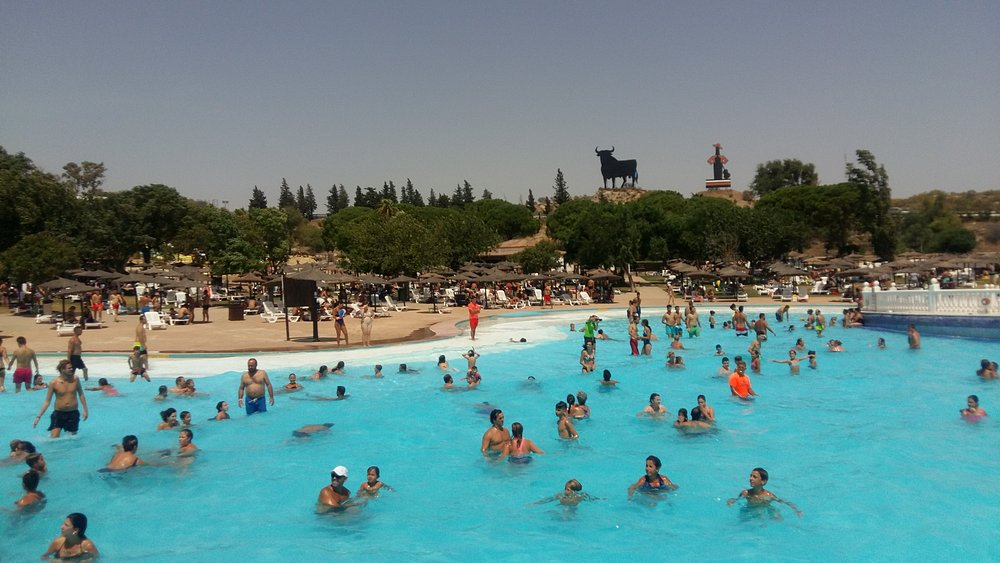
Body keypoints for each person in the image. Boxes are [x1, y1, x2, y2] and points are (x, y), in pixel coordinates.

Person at [33, 359, 89, 438]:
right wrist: (38, 417)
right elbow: (47, 401)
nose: (72, 369)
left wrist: (85, 410)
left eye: (72, 367)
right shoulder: (54, 383)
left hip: (73, 413)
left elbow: (81, 394)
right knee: (54, 439)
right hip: (59, 414)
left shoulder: (75, 379)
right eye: (69, 368)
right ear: (62, 369)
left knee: (72, 439)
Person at [726, 467, 803, 518]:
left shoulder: (768, 495)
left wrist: (797, 510)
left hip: (765, 509)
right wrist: (731, 501)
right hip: (749, 509)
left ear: (763, 481)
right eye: (750, 476)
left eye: (754, 477)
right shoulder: (745, 493)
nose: (750, 478)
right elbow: (737, 499)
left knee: (777, 517)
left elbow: (784, 502)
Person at [534, 479, 600, 506]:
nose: (565, 491)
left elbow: (593, 499)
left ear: (574, 491)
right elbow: (548, 500)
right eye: (565, 489)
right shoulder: (561, 495)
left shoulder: (580, 496)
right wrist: (536, 503)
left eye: (567, 489)